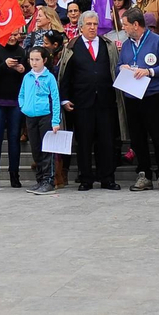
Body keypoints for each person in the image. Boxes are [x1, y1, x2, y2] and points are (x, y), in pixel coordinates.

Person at [59, 10, 120, 191]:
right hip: (82, 103)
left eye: (95, 24)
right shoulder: (72, 46)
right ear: (81, 27)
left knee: (106, 141)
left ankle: (107, 178)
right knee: (84, 142)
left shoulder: (107, 45)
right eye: (89, 25)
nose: (92, 28)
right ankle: (85, 178)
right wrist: (64, 99)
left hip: (105, 101)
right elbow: (65, 75)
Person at [116, 8, 159, 192]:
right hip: (132, 97)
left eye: (125, 24)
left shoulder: (157, 41)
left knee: (158, 137)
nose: (123, 28)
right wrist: (122, 68)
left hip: (152, 96)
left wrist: (149, 71)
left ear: (136, 24)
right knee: (137, 137)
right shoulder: (126, 45)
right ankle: (144, 174)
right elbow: (119, 65)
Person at [0, 29, 29, 188]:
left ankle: (14, 175)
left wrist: (23, 71)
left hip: (16, 101)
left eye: (15, 34)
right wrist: (5, 65)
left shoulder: (22, 51)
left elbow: (28, 76)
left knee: (14, 138)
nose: (12, 37)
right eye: (9, 34)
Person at [18, 45, 61, 195]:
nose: (34, 63)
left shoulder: (49, 78)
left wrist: (56, 120)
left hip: (45, 116)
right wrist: (23, 106)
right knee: (36, 149)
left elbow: (55, 99)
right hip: (30, 116)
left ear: (44, 60)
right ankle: (40, 179)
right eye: (31, 59)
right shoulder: (27, 77)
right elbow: (21, 94)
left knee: (46, 149)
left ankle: (49, 180)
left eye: (37, 59)